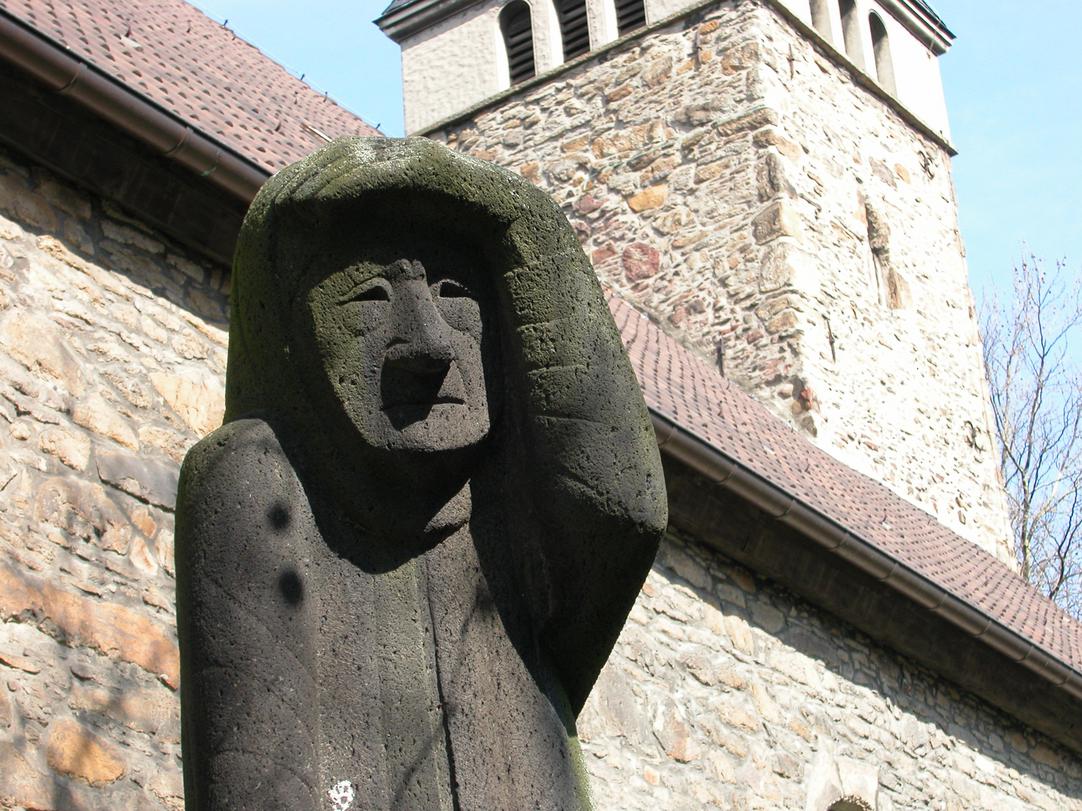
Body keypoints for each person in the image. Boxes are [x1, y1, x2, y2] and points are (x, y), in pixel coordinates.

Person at [175, 137, 667, 810]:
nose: (429, 344)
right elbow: (258, 783)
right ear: (292, 335)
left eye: (456, 292)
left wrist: (523, 218)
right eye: (369, 299)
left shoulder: (513, 513)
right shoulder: (257, 483)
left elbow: (623, 502)